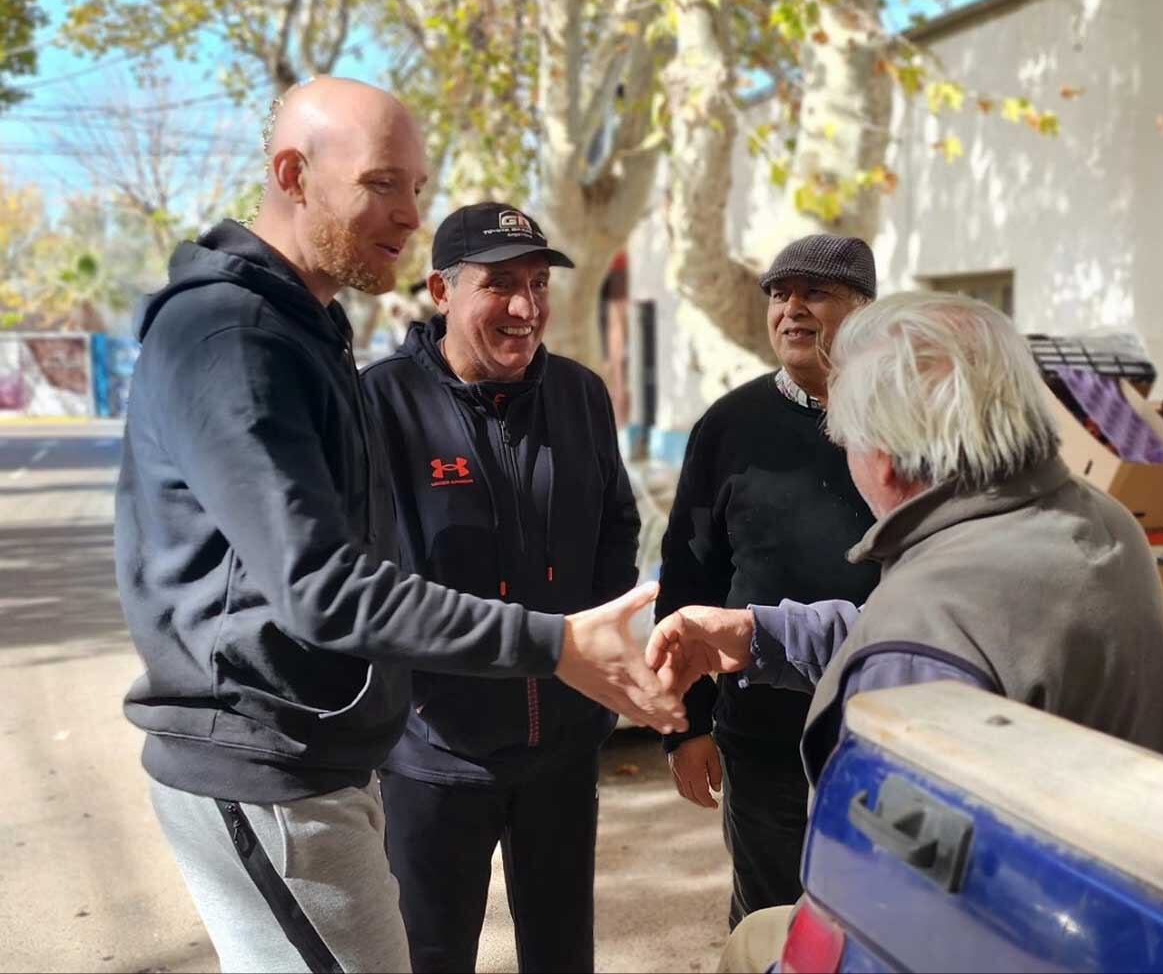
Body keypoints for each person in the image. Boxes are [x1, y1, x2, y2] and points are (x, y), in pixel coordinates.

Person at [114, 77, 684, 974]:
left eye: (416, 186)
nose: (409, 210)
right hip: (285, 766)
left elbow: (608, 528)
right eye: (384, 182)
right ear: (294, 173)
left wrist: (590, 651)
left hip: (363, 758)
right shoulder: (235, 338)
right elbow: (323, 583)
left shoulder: (310, 332)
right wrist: (554, 641)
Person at [645, 291, 1163, 973]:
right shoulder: (1098, 519)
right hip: (1132, 925)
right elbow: (966, 638)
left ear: (883, 458)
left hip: (1025, 945)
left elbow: (885, 928)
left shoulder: (922, 629)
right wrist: (759, 632)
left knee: (754, 943)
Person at [360, 202, 637, 973]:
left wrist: (594, 666)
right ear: (441, 292)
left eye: (538, 284)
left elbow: (616, 525)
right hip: (434, 753)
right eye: (500, 284)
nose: (525, 308)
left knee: (561, 952)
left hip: (561, 750)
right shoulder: (379, 404)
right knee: (432, 954)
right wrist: (408, 698)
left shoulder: (581, 395)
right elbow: (361, 575)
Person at [656, 234, 881, 930]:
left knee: (879, 919)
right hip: (761, 732)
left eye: (815, 292)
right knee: (770, 919)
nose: (792, 309)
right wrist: (685, 726)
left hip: (882, 728)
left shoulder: (905, 421)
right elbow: (690, 573)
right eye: (779, 294)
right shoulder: (727, 426)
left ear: (865, 311)